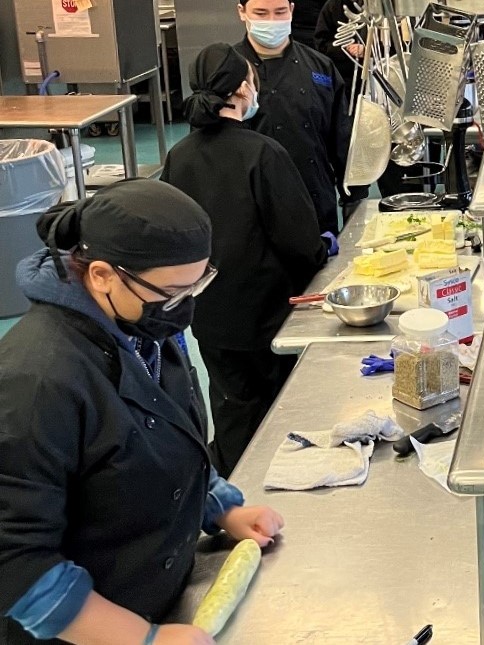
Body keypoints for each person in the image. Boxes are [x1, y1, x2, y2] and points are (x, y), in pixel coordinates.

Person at [0, 179, 284, 645]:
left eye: (196, 285)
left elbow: (165, 439)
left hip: (157, 590)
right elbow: (15, 560)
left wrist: (220, 507)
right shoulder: (35, 381)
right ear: (101, 275)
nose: (182, 307)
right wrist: (142, 638)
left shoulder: (139, 325)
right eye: (171, 291)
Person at [162, 43, 333, 475]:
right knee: (278, 414)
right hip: (266, 317)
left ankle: (230, 500)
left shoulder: (178, 156)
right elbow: (298, 241)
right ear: (244, 87)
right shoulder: (262, 153)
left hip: (208, 314)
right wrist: (324, 248)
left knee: (234, 409)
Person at [234, 0, 366, 235]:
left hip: (315, 203)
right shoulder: (228, 71)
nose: (272, 21)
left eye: (280, 12)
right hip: (251, 213)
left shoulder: (320, 67)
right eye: (261, 13)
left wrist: (354, 198)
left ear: (292, 11)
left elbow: (342, 139)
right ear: (242, 12)